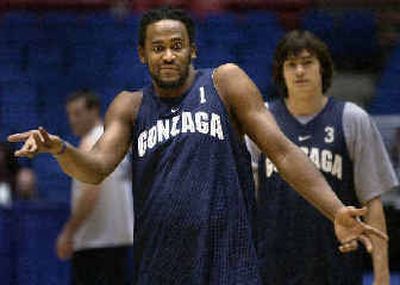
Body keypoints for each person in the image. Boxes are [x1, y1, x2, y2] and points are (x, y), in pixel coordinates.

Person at [8, 7, 387, 284]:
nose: (168, 55)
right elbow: (96, 168)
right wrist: (60, 150)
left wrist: (335, 209)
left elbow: (283, 151)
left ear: (193, 50)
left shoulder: (225, 83)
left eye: (177, 45)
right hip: (159, 265)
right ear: (142, 54)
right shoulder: (129, 105)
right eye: (158, 48)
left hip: (229, 261)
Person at [247, 30, 399, 285]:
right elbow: (246, 202)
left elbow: (372, 203)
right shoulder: (263, 121)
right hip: (273, 267)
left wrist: (381, 276)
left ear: (323, 69)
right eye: (291, 64)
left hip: (337, 265)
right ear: (281, 73)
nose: (299, 71)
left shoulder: (352, 119)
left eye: (307, 63)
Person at [55, 90, 134, 284]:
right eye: (70, 114)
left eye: (77, 113)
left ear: (94, 111)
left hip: (94, 244)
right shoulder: (118, 141)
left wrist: (69, 231)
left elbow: (91, 193)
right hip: (121, 242)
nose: (72, 120)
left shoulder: (90, 143)